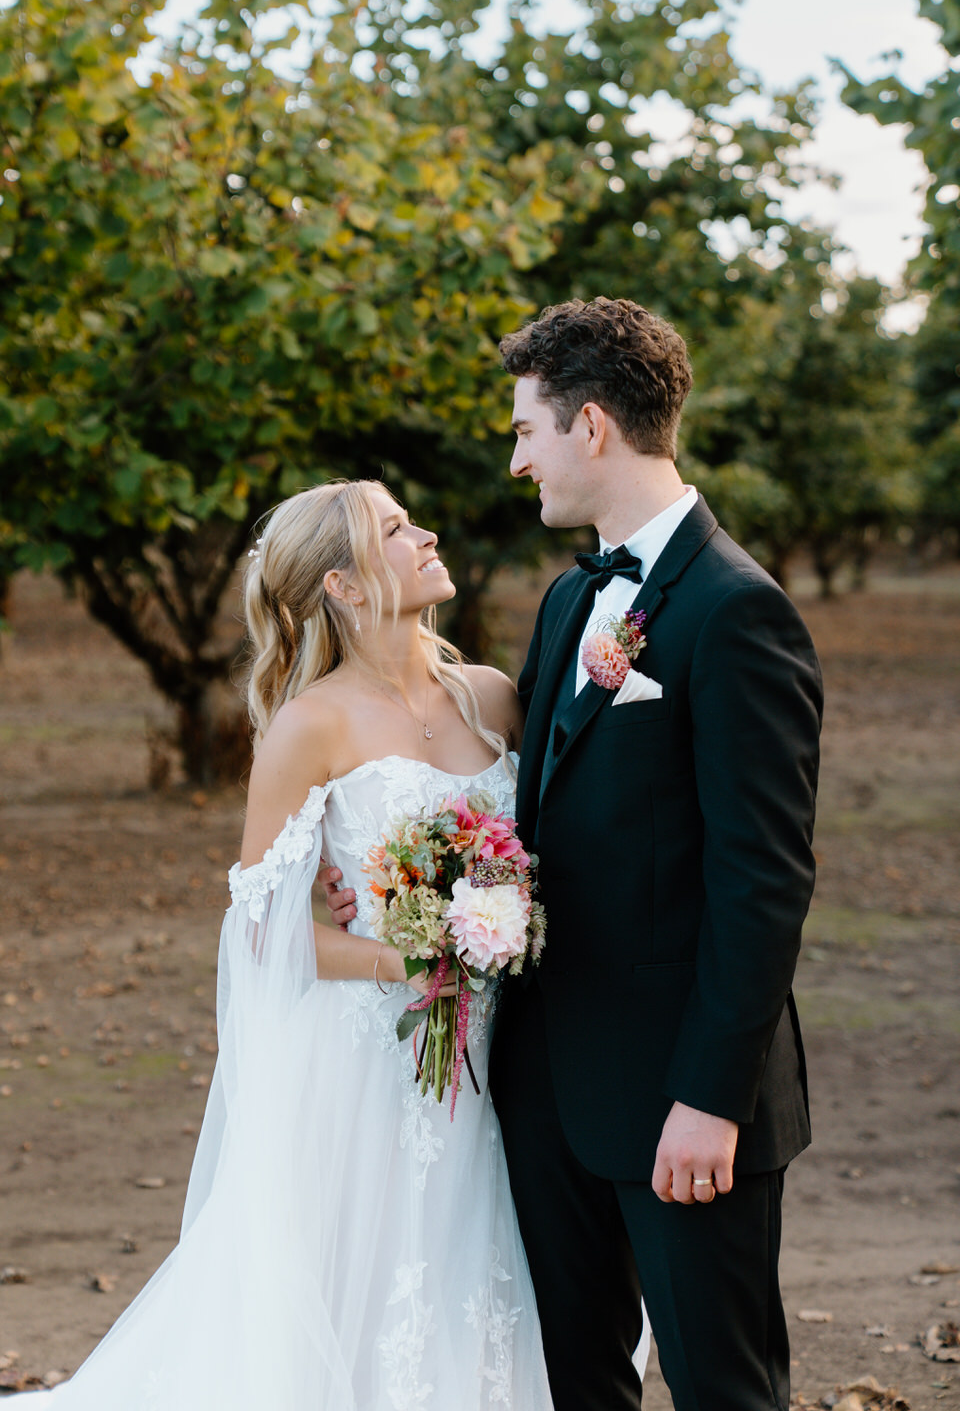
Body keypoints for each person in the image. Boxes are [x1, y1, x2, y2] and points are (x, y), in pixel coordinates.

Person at [327, 298, 823, 1411]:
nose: (517, 462)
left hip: (683, 1099)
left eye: (525, 431)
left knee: (722, 1388)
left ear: (590, 426)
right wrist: (393, 880)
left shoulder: (738, 612)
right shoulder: (567, 602)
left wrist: (709, 1098)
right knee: (573, 1386)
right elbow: (537, 818)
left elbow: (764, 882)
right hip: (546, 1085)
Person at [10, 479, 556, 1409]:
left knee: (467, 1276)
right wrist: (414, 960)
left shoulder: (493, 699)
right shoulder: (312, 725)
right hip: (360, 1072)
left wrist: (503, 922)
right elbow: (259, 930)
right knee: (352, 1289)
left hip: (493, 1058)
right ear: (343, 586)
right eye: (395, 529)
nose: (426, 533)